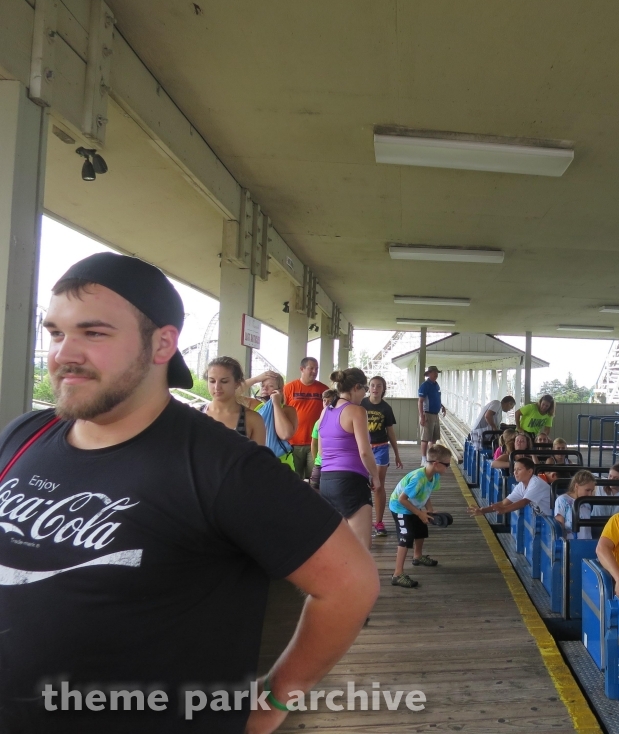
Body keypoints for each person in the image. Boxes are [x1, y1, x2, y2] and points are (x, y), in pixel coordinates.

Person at [1, 252, 376, 732]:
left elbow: (350, 585)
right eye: (56, 332)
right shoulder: (25, 434)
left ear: (161, 345)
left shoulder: (222, 466)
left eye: (93, 333)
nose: (63, 353)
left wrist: (271, 705)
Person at [319, 368, 378, 549]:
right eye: (364, 390)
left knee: (340, 547)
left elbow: (321, 452)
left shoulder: (325, 413)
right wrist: (375, 477)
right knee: (361, 547)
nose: (364, 395)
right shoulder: (356, 411)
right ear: (356, 387)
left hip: (326, 482)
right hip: (351, 482)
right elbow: (365, 452)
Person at [389, 444, 452, 588]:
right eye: (447, 464)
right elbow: (402, 499)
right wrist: (419, 513)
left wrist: (429, 510)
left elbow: (426, 493)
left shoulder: (434, 476)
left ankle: (417, 556)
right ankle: (397, 574)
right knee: (406, 537)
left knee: (422, 529)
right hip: (400, 508)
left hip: (414, 506)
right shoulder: (418, 478)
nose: (448, 467)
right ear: (436, 464)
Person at [362, 376, 403, 538]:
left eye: (379, 386)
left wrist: (397, 454)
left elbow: (390, 432)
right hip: (363, 447)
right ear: (368, 388)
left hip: (380, 448)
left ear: (383, 389)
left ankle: (378, 522)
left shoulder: (386, 408)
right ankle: (363, 520)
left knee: (378, 485)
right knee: (361, 484)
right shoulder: (361, 404)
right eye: (372, 385)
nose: (375, 388)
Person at [282, 357, 329, 482]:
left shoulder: (324, 390)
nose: (314, 371)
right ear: (302, 369)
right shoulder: (289, 388)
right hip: (292, 443)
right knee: (293, 479)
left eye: (316, 369)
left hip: (315, 442)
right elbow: (280, 411)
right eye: (311, 368)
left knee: (314, 479)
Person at [201, 356, 266, 445]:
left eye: (224, 381)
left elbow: (259, 458)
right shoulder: (197, 415)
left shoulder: (253, 419)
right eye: (212, 381)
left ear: (237, 383)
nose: (217, 387)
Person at [244, 370, 298, 470]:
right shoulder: (255, 406)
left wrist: (276, 404)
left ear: (280, 390)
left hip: (281, 464)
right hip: (258, 462)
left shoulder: (287, 410)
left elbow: (285, 434)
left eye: (270, 386)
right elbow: (232, 392)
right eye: (263, 385)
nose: (265, 388)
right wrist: (256, 379)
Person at [469, 457, 552, 518]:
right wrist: (483, 510)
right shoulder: (521, 485)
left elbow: (524, 502)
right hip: (545, 519)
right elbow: (503, 503)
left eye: (519, 469)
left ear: (530, 471)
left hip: (554, 518)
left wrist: (504, 510)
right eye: (514, 469)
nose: (515, 472)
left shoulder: (536, 483)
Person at [310, 388, 340, 490]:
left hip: (335, 464)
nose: (326, 403)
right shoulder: (318, 422)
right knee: (314, 490)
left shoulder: (340, 420)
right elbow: (314, 443)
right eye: (324, 400)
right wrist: (316, 460)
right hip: (320, 463)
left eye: (330, 401)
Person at [554, 470, 597, 539]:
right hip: (570, 543)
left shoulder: (586, 503)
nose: (590, 494)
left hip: (587, 542)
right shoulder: (562, 500)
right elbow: (559, 526)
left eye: (592, 491)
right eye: (587, 490)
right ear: (576, 486)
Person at [418, 365, 446, 466]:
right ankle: (423, 458)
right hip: (427, 414)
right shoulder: (425, 385)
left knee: (433, 438)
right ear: (429, 374)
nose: (436, 374)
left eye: (437, 372)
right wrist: (422, 416)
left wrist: (442, 406)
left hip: (435, 414)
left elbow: (436, 398)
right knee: (425, 438)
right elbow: (420, 401)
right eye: (434, 372)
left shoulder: (436, 385)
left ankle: (431, 457)